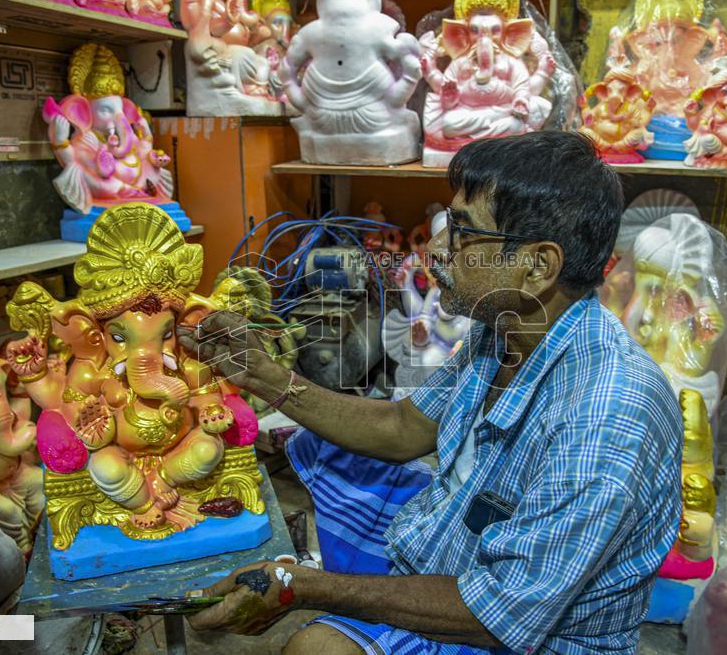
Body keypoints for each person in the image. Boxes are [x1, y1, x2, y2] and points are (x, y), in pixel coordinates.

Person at [177, 131, 683, 654]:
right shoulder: (507, 324)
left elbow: (500, 612)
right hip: (460, 564)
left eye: (461, 233)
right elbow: (404, 429)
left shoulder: (607, 413)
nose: (436, 250)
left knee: (313, 646)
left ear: (537, 266)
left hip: (530, 636)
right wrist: (262, 374)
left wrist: (305, 587)